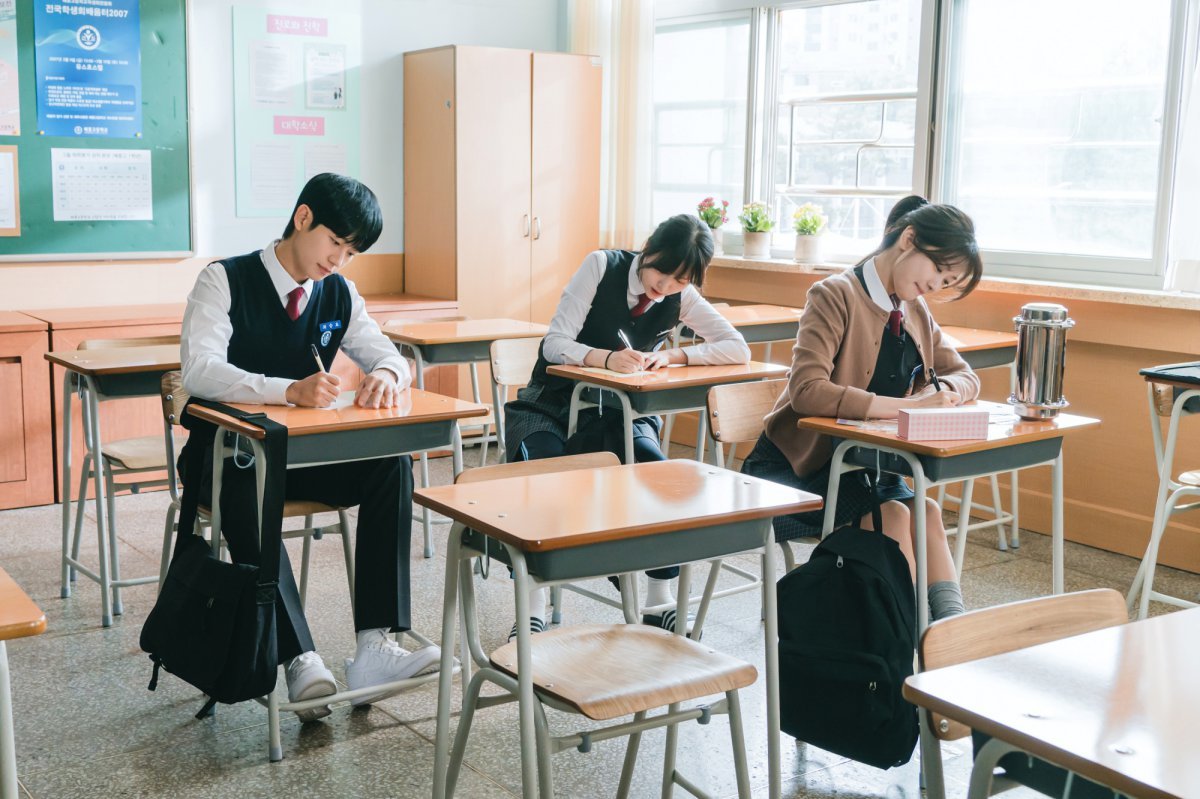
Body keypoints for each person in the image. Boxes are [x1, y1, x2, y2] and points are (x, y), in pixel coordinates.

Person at [179, 172, 439, 722]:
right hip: (226, 458)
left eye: (350, 252)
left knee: (389, 464)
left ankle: (374, 646)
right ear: (303, 219)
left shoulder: (338, 292)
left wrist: (389, 376)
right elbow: (199, 371)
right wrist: (286, 391)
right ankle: (298, 657)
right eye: (335, 244)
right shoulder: (224, 280)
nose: (339, 260)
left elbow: (388, 354)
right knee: (252, 485)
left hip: (299, 457)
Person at [503, 214, 751, 636]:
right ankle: (532, 607)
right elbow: (555, 343)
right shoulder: (602, 266)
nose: (666, 286)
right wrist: (604, 358)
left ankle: (659, 601)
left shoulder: (680, 296)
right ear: (648, 249)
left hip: (620, 413)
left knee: (659, 475)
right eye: (662, 272)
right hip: (551, 407)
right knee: (541, 472)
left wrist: (671, 357)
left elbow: (736, 348)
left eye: (680, 281)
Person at [741, 196, 984, 621]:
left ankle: (947, 636)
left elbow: (966, 375)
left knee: (924, 510)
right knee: (891, 513)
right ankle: (906, 646)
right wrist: (905, 408)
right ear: (909, 239)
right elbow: (807, 391)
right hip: (795, 471)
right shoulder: (834, 294)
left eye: (947, 282)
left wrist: (942, 395)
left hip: (864, 467)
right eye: (938, 272)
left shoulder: (915, 310)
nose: (937, 287)